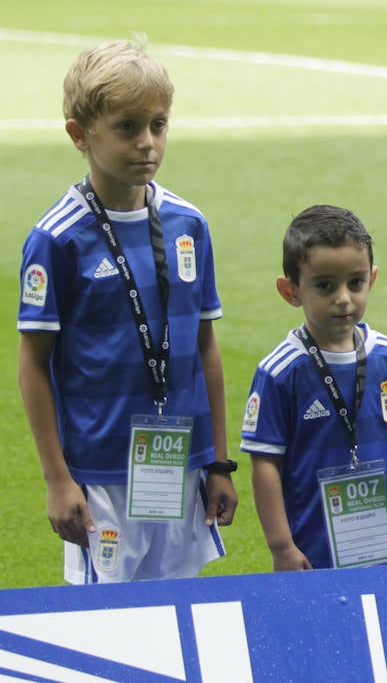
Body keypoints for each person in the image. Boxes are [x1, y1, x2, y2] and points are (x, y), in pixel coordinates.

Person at [17, 40, 237, 583]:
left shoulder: (189, 225)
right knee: (111, 629)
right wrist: (57, 479)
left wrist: (218, 461)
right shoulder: (57, 239)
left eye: (159, 125)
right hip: (101, 475)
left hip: (179, 465)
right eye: (128, 127)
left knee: (178, 616)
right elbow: (33, 366)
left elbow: (205, 348)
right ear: (80, 134)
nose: (148, 143)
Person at [241, 206, 387, 570]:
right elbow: (265, 464)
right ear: (290, 291)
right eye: (325, 285)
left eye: (355, 283)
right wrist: (282, 547)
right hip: (315, 558)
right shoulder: (280, 373)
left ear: (372, 279)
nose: (343, 298)